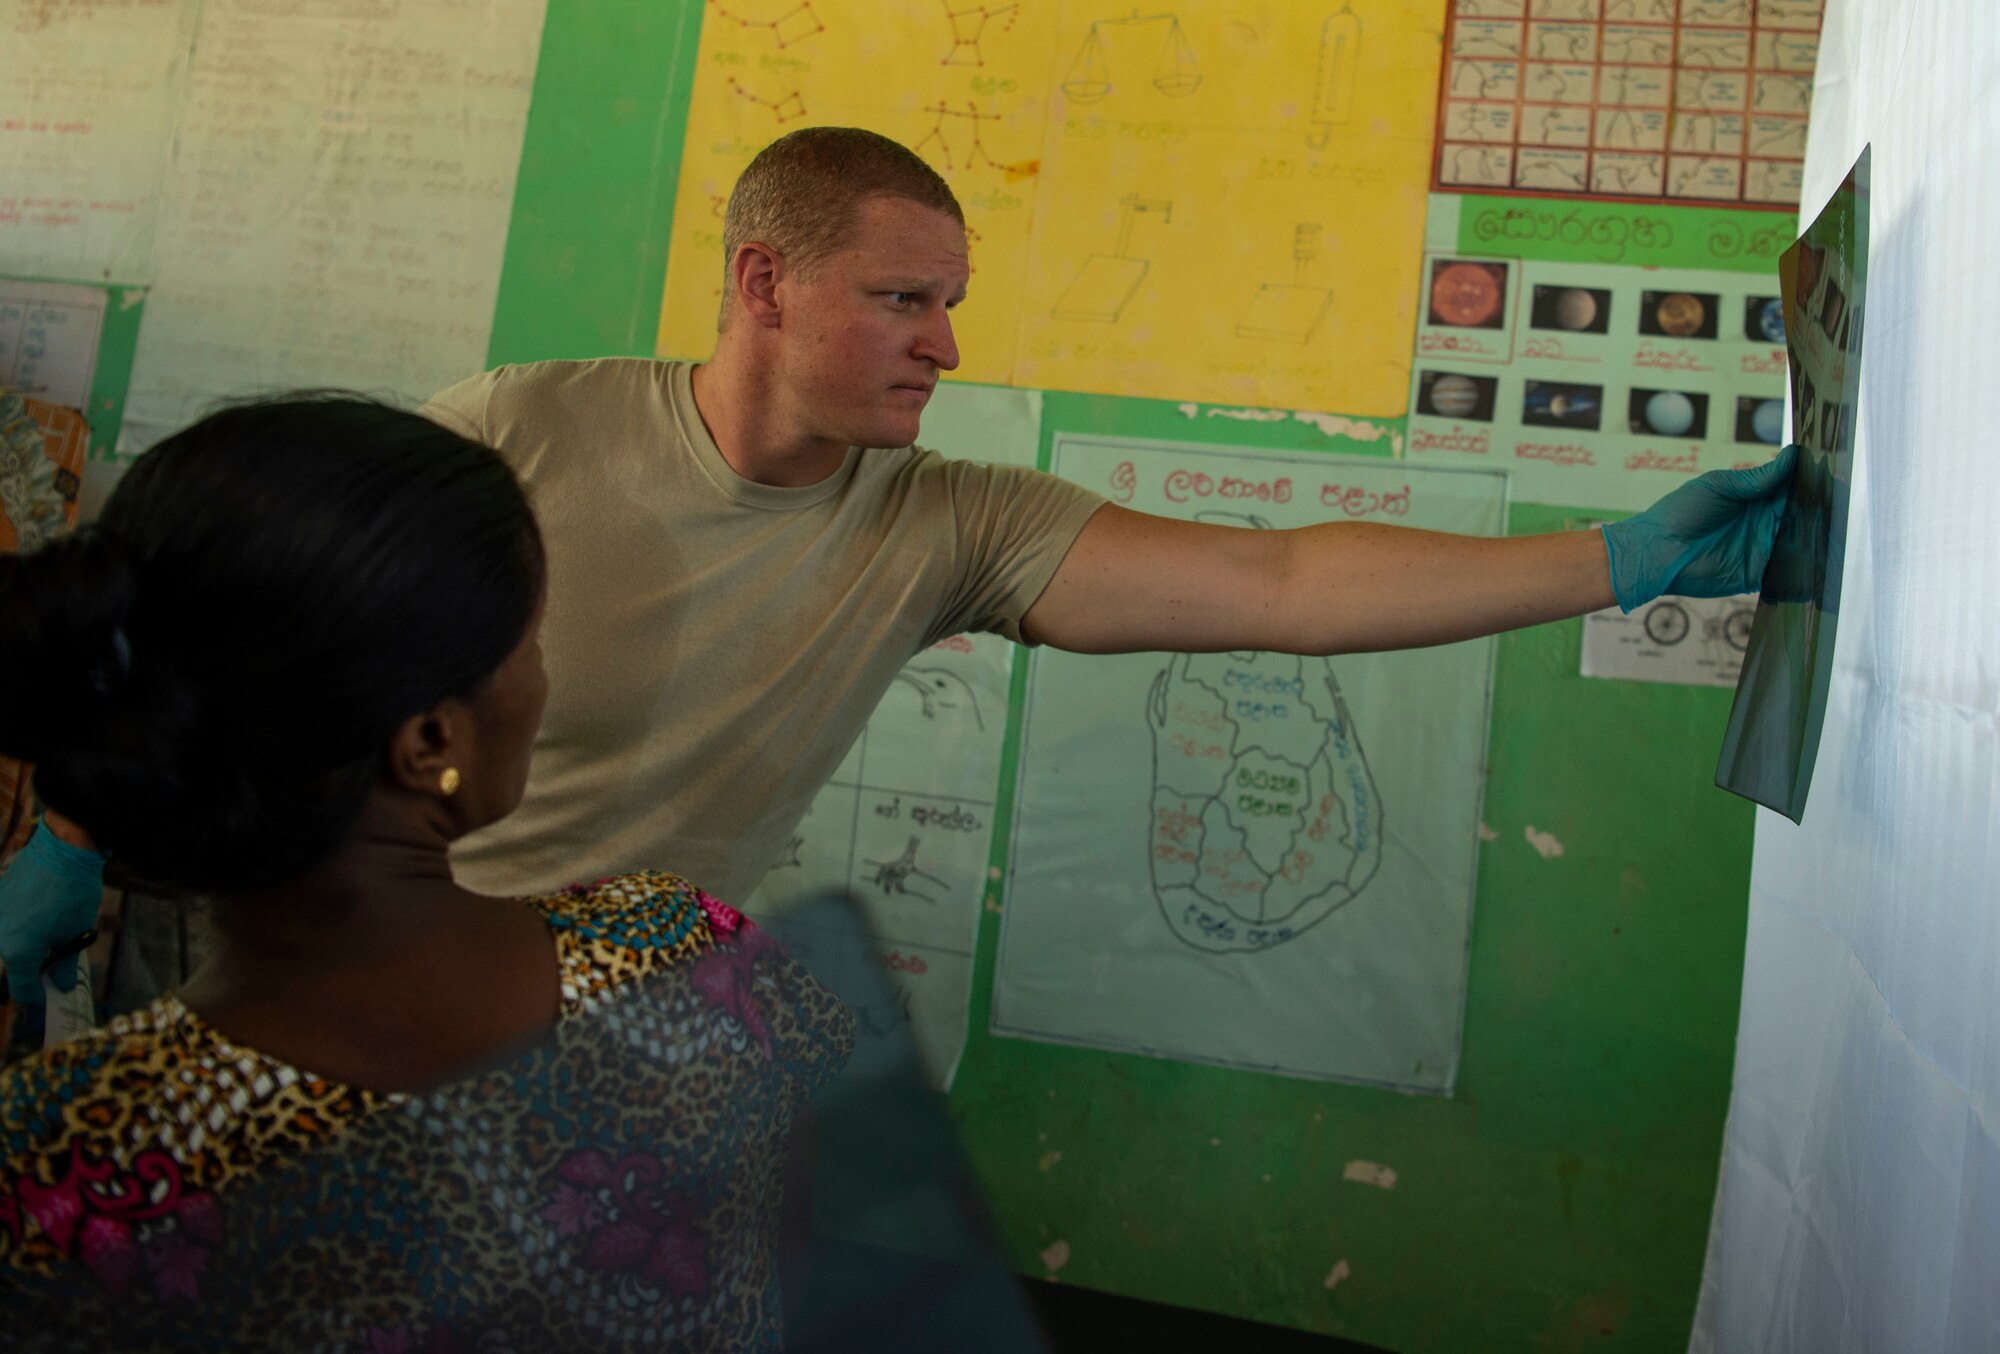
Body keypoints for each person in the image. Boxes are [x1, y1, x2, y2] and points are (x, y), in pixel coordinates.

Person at [0, 125, 1795, 986]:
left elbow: (1287, 592)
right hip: (317, 967)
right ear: (765, 283)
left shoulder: (949, 523)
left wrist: (1616, 556)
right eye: (904, 298)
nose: (944, 343)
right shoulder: (522, 421)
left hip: (604, 1012)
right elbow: (235, 625)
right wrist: (76, 838)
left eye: (953, 305)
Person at [0, 396, 854, 1350]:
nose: (539, 677)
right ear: (432, 742)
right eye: (529, 641)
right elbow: (786, 1285)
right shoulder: (697, 966)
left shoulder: (54, 1144)